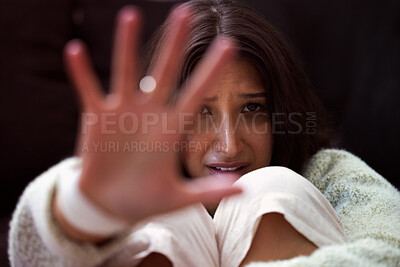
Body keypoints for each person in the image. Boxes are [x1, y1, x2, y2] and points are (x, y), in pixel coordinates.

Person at [8, 0, 400, 266]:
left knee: (270, 189)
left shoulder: (327, 172)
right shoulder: (124, 183)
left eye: (252, 109)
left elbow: (391, 249)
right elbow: (33, 256)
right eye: (199, 114)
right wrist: (82, 211)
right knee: (172, 220)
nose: (229, 144)